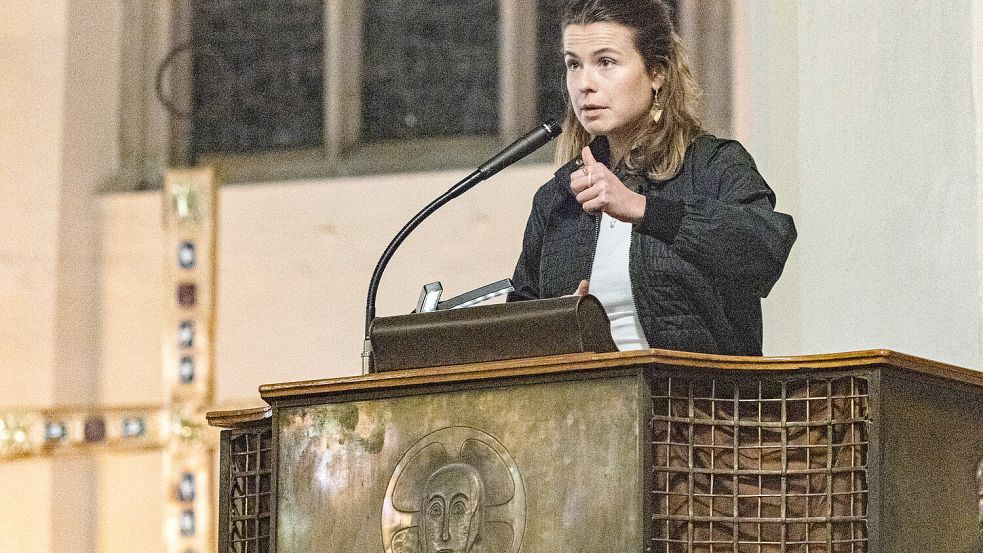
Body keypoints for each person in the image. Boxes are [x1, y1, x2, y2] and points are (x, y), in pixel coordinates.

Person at [508, 0, 796, 355]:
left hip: (701, 404)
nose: (584, 84)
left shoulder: (712, 165)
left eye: (606, 62)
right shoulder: (556, 199)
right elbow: (518, 325)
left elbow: (764, 250)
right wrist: (558, 327)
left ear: (656, 72)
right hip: (589, 404)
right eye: (573, 64)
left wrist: (645, 209)